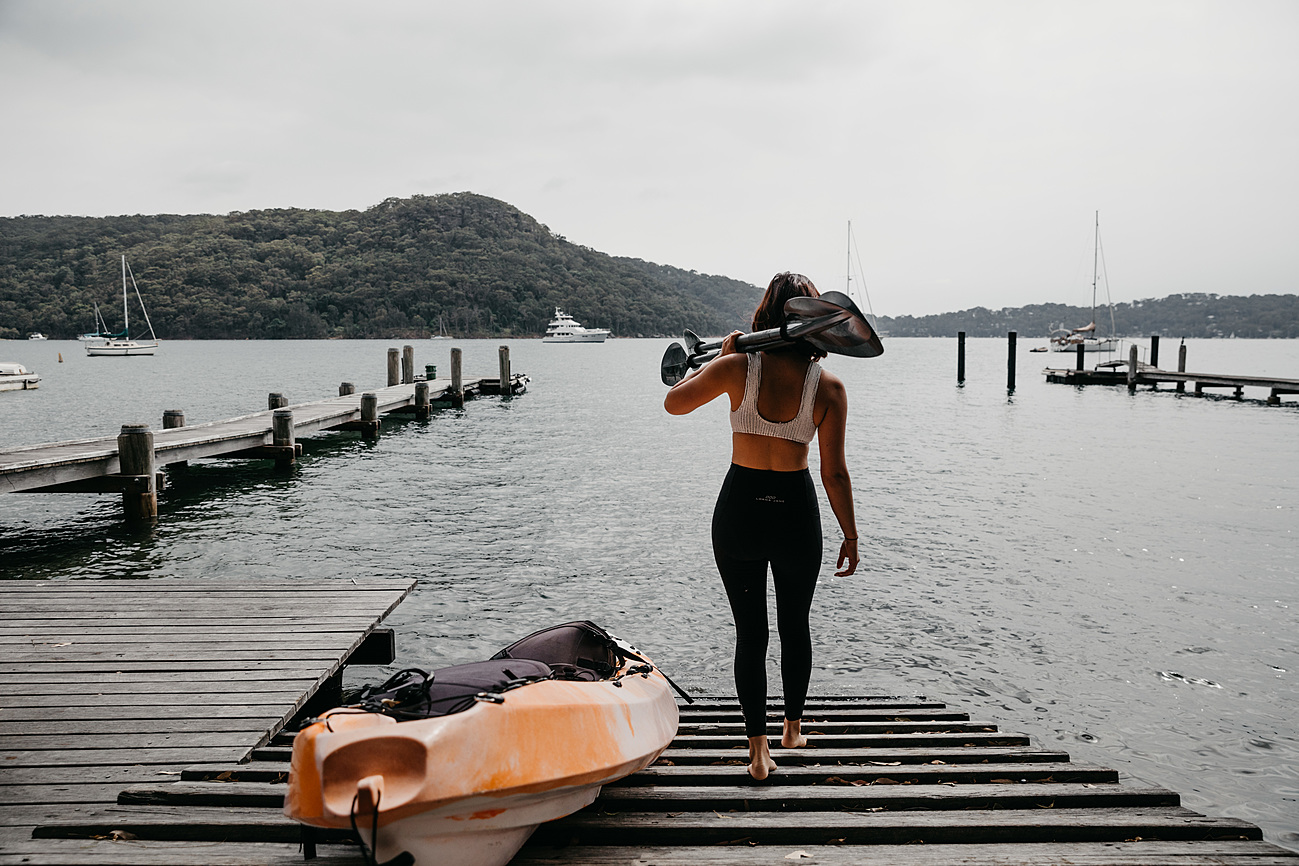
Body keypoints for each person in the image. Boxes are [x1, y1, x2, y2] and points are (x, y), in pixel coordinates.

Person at [663, 271, 859, 781]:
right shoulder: (830, 387)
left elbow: (674, 401)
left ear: (764, 317)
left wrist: (724, 357)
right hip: (795, 513)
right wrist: (851, 535)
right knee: (795, 627)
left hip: (740, 511)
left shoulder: (736, 369)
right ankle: (793, 728)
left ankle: (758, 752)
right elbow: (834, 472)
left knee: (751, 635)